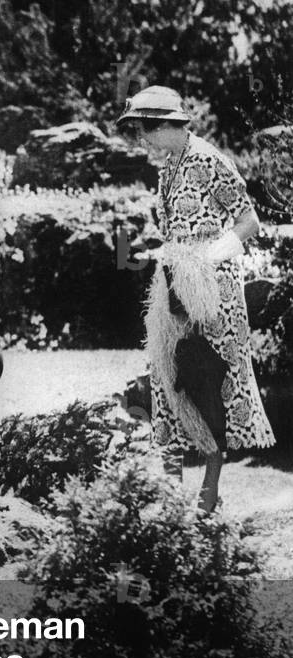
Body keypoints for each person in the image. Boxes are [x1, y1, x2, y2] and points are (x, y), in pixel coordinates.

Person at [117, 85, 274, 512]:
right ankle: (170, 499)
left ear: (166, 125)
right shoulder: (168, 167)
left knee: (207, 383)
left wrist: (204, 260)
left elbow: (249, 222)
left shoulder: (208, 159)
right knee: (167, 382)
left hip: (212, 293)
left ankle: (208, 496)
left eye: (144, 130)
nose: (142, 139)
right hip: (173, 289)